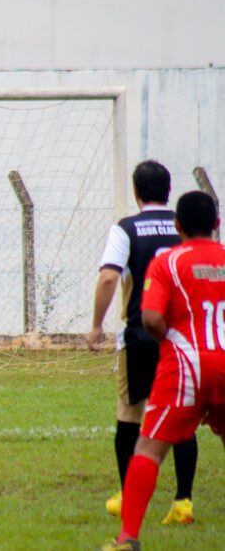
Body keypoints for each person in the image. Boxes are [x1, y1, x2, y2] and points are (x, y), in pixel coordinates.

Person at [104, 191, 225, 551]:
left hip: (186, 363)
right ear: (217, 225)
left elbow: (152, 318)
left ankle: (128, 538)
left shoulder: (168, 263)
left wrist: (167, 337)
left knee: (148, 448)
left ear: (178, 226)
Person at [88, 160, 198, 524]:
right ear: (169, 191)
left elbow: (108, 278)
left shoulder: (126, 228)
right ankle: (183, 501)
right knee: (181, 418)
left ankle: (126, 494)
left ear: (136, 193)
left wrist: (95, 325)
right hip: (182, 339)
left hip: (138, 334)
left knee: (129, 415)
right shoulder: (185, 227)